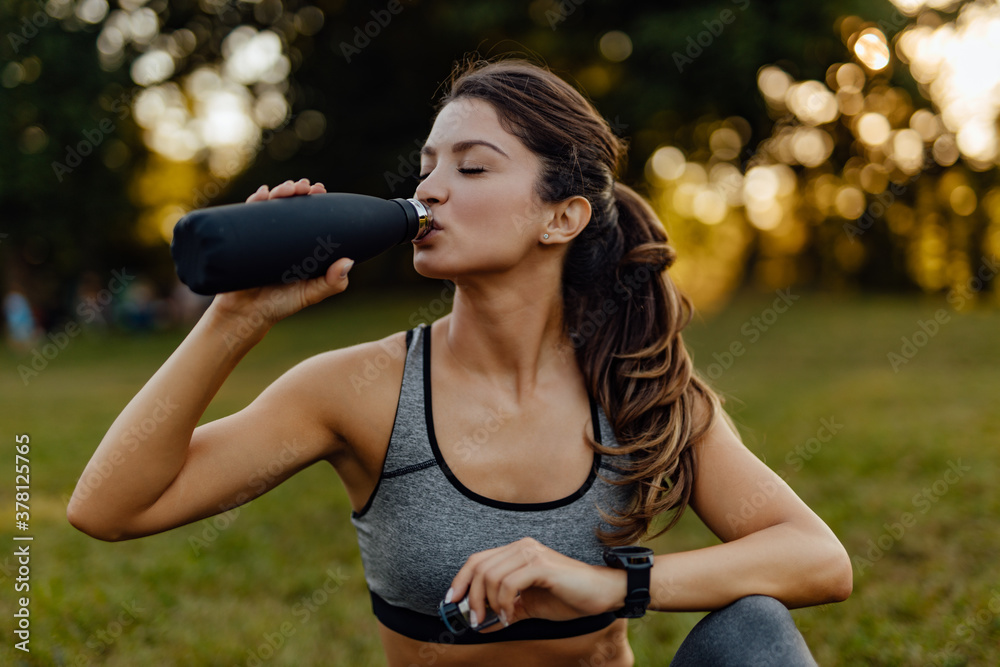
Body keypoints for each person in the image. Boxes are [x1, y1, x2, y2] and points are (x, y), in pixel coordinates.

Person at [68, 58, 852, 666]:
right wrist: (235, 317)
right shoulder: (361, 390)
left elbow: (818, 559)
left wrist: (613, 584)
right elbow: (109, 508)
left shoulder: (634, 384)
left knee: (754, 627)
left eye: (472, 168)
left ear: (563, 216)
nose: (433, 190)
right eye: (428, 166)